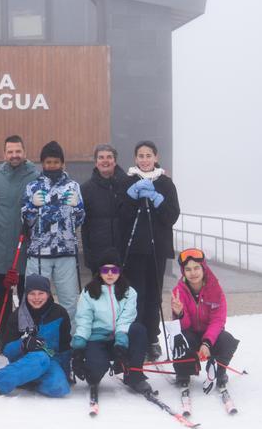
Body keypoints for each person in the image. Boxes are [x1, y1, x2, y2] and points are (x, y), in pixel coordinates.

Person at [119, 140, 180, 360]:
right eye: (141, 156)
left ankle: (152, 339)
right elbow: (122, 216)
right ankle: (137, 338)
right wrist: (131, 196)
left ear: (156, 157)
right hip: (134, 249)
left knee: (153, 296)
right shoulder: (127, 181)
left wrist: (157, 199)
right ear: (135, 159)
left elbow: (172, 216)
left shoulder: (165, 183)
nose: (145, 160)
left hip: (157, 249)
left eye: (148, 155)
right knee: (136, 296)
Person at [0, 275, 71, 399]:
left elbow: (65, 346)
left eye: (41, 293)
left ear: (48, 294)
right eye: (32, 293)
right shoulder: (18, 315)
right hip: (25, 359)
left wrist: (66, 371)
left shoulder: (60, 313)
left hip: (51, 360)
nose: (36, 298)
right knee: (41, 357)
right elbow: (7, 350)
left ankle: (24, 379)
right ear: (26, 294)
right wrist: (24, 344)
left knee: (59, 388)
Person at [71, 247, 152, 397]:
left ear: (119, 271)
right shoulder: (89, 292)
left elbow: (126, 319)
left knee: (138, 329)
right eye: (105, 270)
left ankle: (134, 376)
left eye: (114, 270)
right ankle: (94, 369)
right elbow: (84, 320)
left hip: (121, 337)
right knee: (93, 374)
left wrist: (120, 344)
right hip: (97, 338)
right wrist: (78, 348)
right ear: (99, 271)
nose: (109, 274)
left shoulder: (129, 292)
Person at [21, 141, 85, 326]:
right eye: (48, 162)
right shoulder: (32, 187)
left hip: (66, 253)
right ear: (42, 163)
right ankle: (33, 337)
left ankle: (70, 342)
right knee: (35, 300)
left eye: (56, 162)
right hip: (39, 253)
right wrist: (32, 206)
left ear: (62, 163)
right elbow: (25, 221)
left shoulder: (73, 186)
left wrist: (77, 207)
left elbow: (80, 220)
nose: (52, 166)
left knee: (69, 300)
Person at [0, 135, 39, 351]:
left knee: (29, 298)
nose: (14, 155)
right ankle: (5, 338)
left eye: (18, 151)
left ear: (24, 152)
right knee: (3, 299)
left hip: (27, 249)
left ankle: (28, 336)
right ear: (4, 154)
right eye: (10, 152)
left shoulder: (35, 177)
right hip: (1, 249)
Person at [170, 248, 239, 392]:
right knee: (179, 338)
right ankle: (184, 373)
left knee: (227, 340)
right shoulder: (179, 291)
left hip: (211, 335)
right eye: (188, 269)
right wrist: (180, 313)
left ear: (203, 268)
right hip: (191, 333)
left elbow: (218, 321)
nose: (193, 273)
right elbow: (184, 326)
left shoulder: (215, 289)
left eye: (196, 268)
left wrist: (207, 343)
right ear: (183, 271)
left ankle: (219, 371)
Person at [80, 143, 128, 272]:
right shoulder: (85, 189)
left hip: (123, 253)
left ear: (115, 161)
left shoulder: (128, 186)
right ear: (96, 162)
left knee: (123, 291)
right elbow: (84, 225)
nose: (105, 161)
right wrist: (88, 256)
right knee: (98, 291)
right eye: (101, 157)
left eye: (109, 157)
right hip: (98, 254)